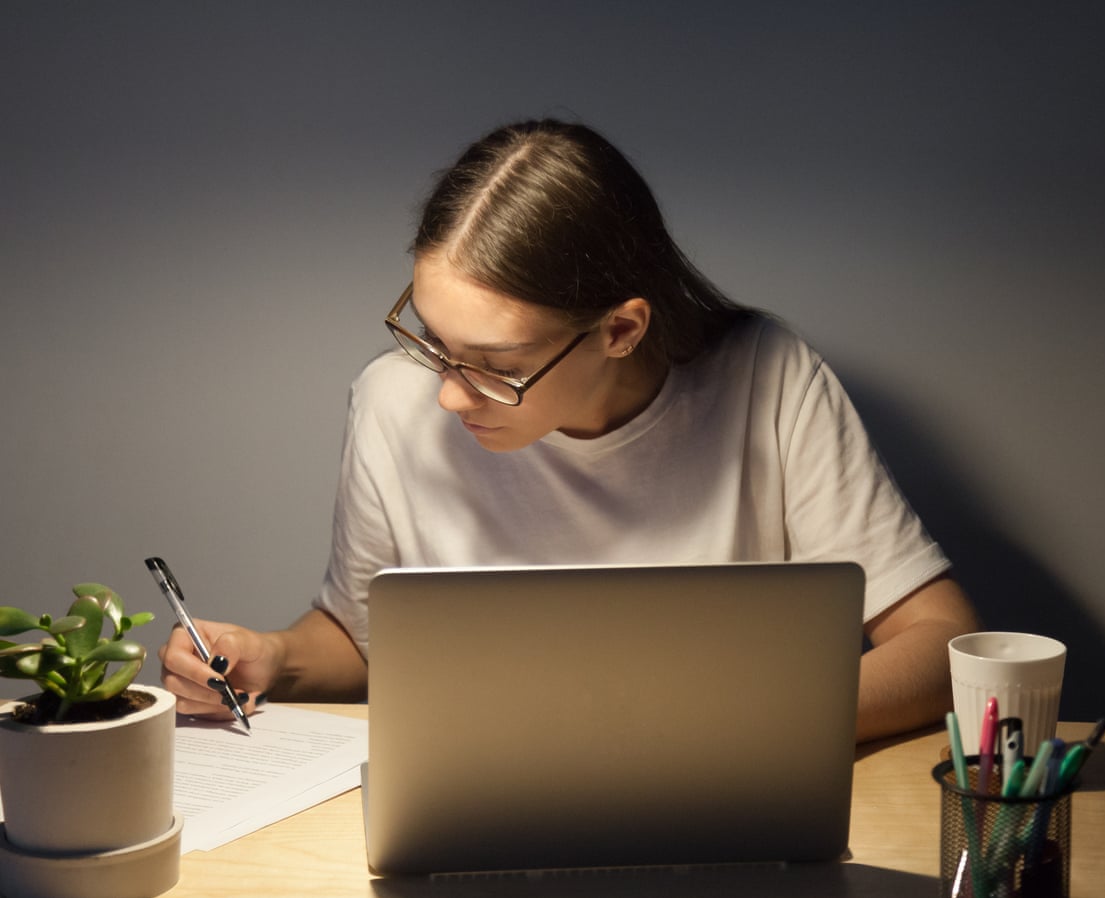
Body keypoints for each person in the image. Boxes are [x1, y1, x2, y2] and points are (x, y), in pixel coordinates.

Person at [160, 118, 979, 743]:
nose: (447, 395)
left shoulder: (765, 381)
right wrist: (270, 655)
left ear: (620, 329)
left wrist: (745, 733)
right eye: (432, 343)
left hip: (719, 808)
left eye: (493, 360)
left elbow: (946, 644)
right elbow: (366, 636)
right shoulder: (390, 402)